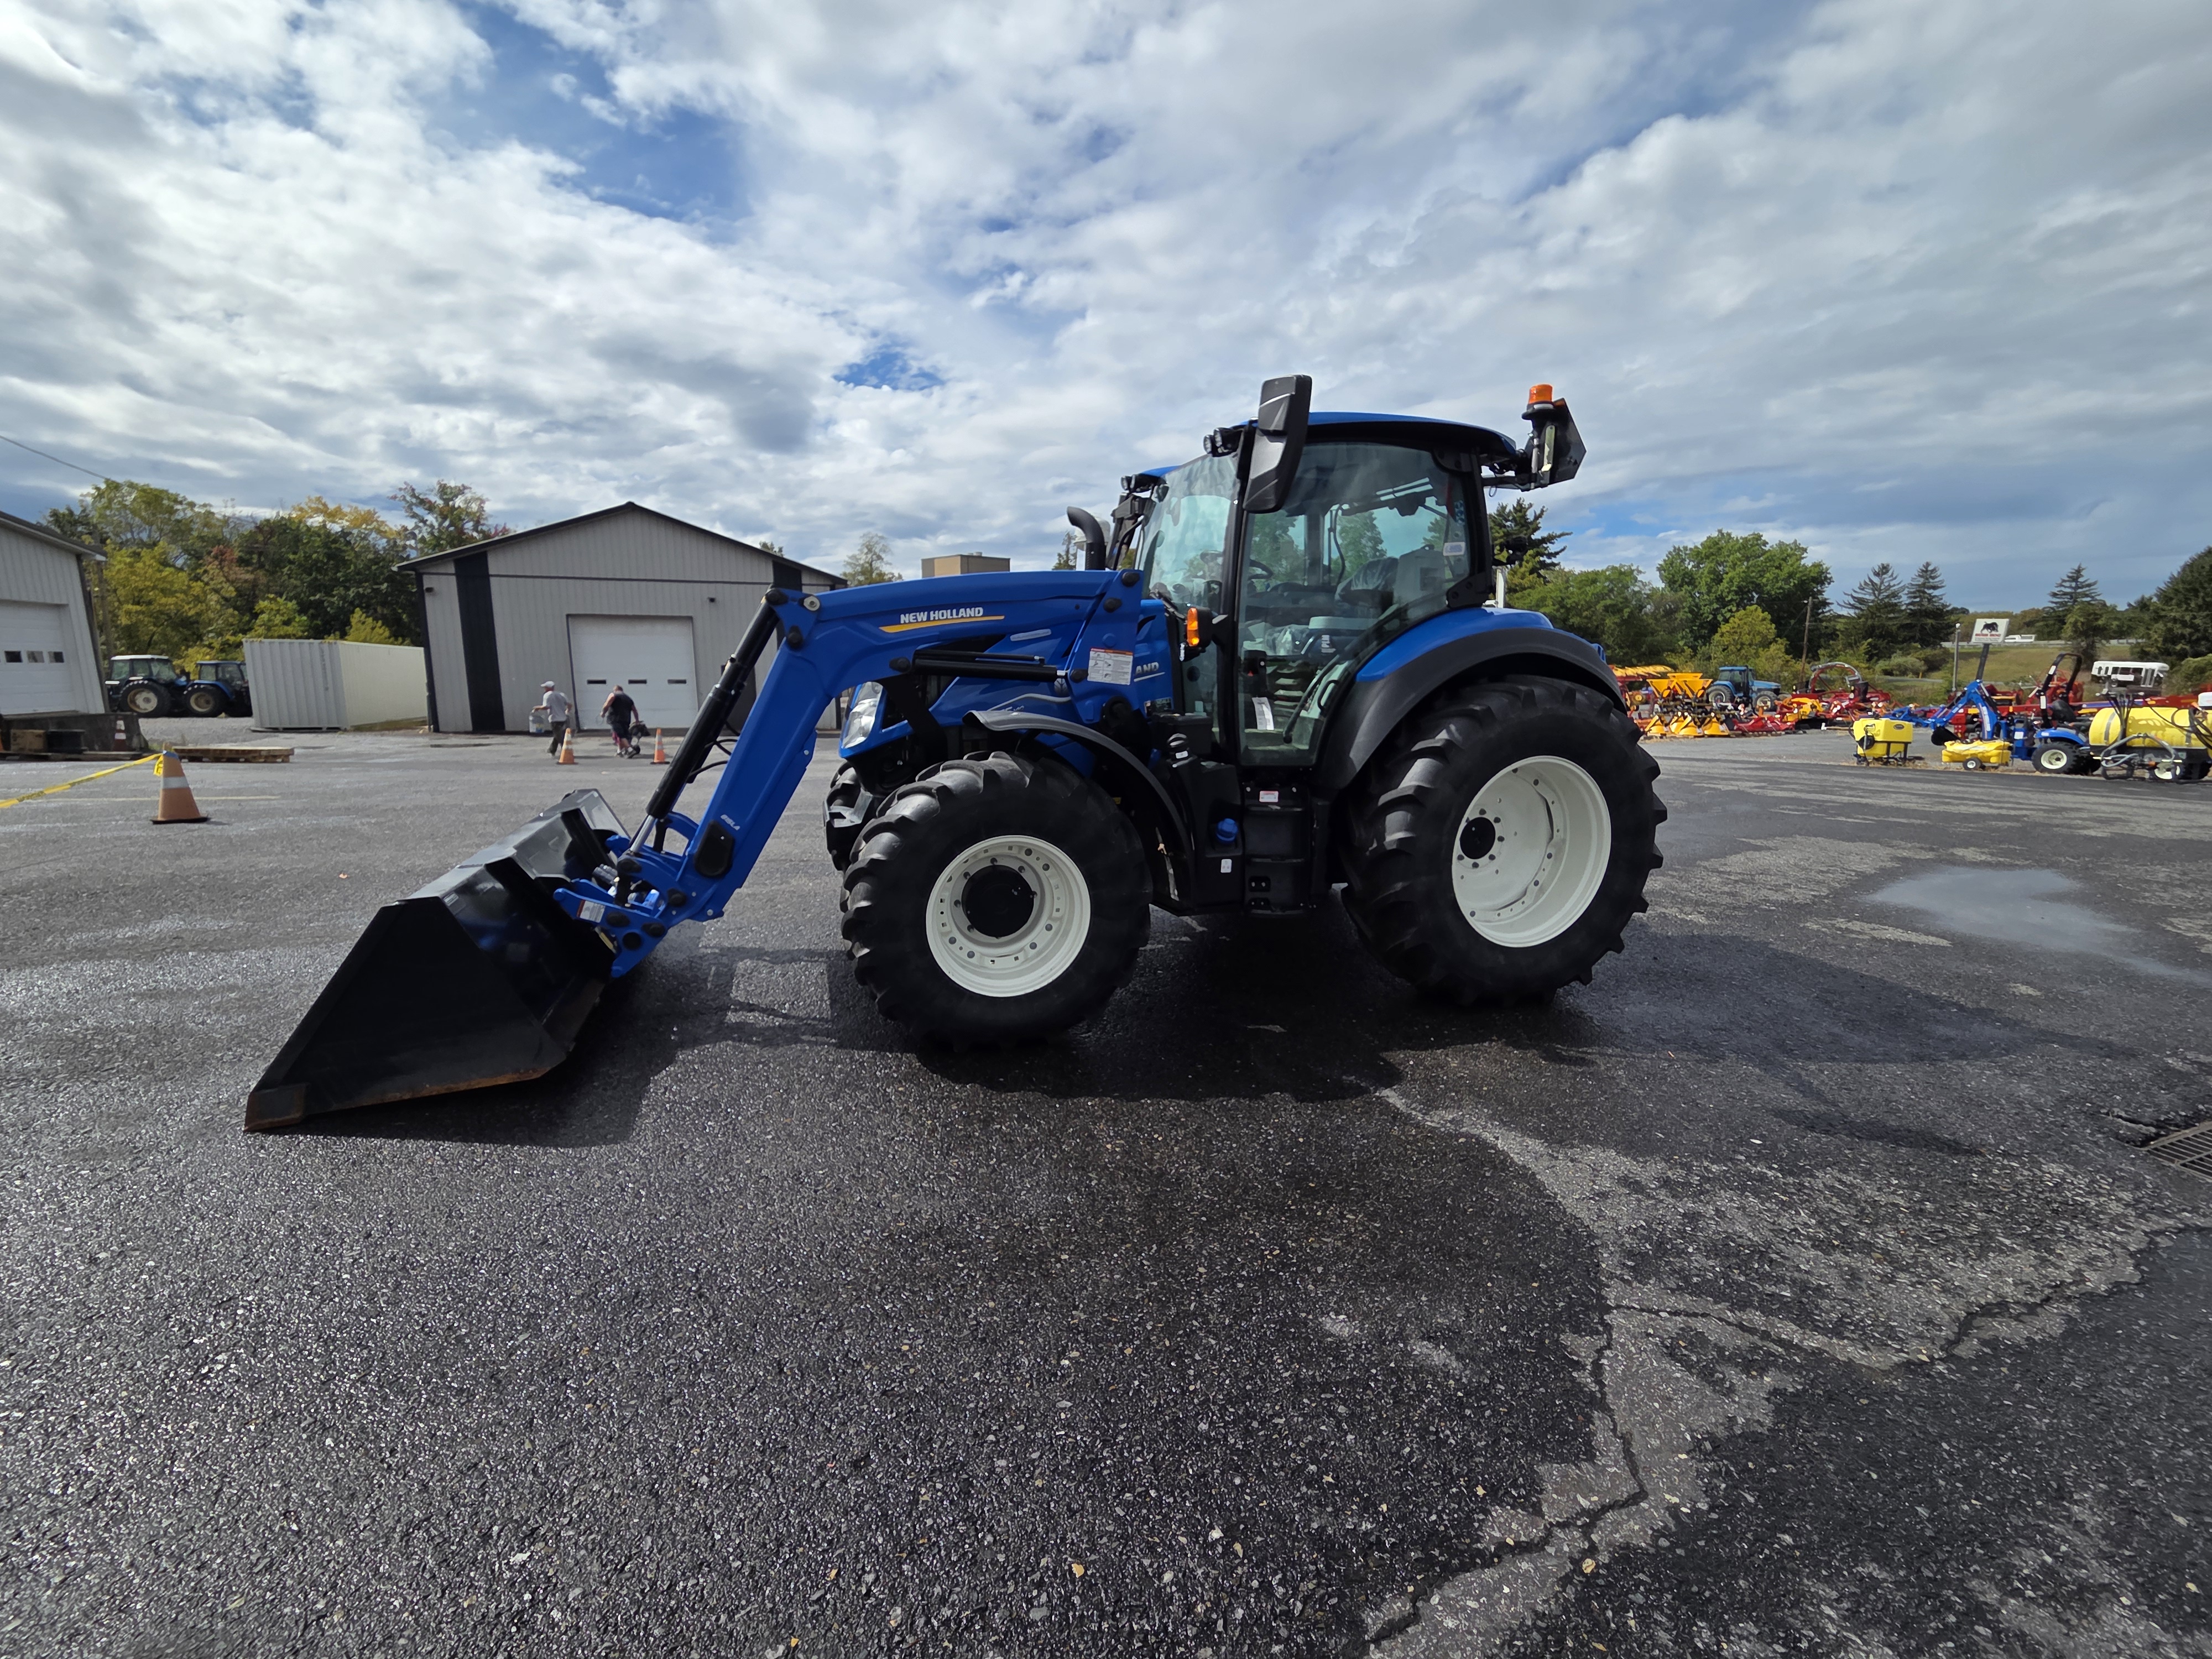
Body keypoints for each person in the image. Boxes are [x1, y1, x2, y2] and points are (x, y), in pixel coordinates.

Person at [602, 685, 641, 758]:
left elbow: (607, 705)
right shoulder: (628, 698)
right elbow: (635, 711)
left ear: (616, 690)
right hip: (626, 720)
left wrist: (603, 713)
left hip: (615, 719)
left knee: (620, 735)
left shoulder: (614, 695)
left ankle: (630, 750)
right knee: (622, 735)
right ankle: (619, 751)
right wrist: (637, 721)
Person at [538, 681, 570, 757]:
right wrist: (567, 710)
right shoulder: (561, 695)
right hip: (563, 718)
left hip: (554, 718)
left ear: (548, 688)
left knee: (559, 735)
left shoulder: (547, 695)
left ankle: (566, 750)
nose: (545, 689)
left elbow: (546, 707)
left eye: (545, 687)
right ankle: (552, 750)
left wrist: (537, 708)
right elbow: (569, 704)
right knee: (558, 734)